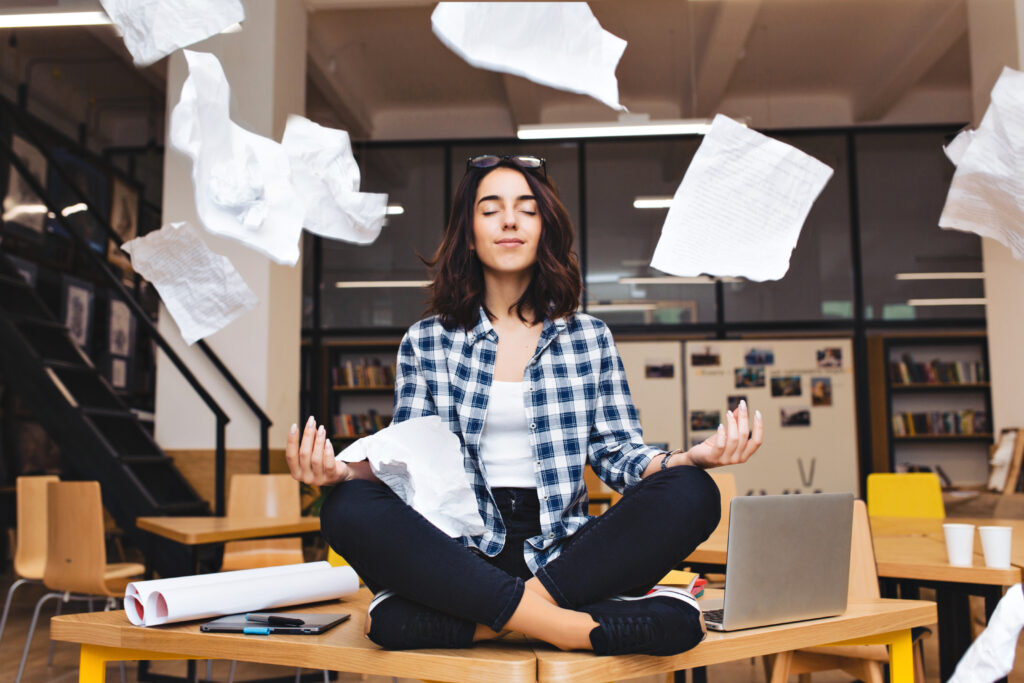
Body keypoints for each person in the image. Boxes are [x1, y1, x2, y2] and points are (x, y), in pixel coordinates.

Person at [286, 154, 764, 656]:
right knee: (345, 508)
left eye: (526, 209)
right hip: (459, 552)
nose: (510, 220)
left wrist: (691, 459)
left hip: (566, 557)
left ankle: (493, 618)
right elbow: (412, 466)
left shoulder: (588, 338)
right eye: (491, 209)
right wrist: (339, 474)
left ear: (544, 229)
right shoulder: (427, 341)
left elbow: (618, 455)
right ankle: (570, 629)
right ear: (469, 234)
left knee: (693, 491)